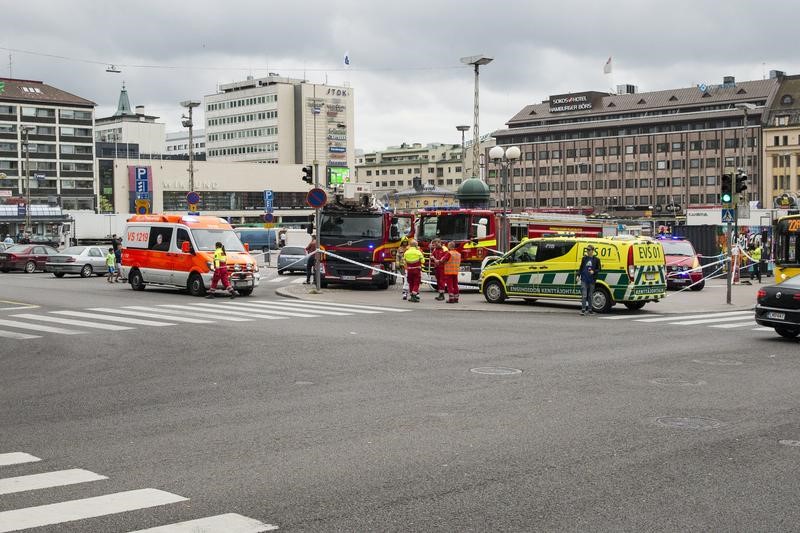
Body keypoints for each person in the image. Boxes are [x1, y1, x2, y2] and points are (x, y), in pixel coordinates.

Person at [578, 245, 601, 315]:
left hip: (591, 280)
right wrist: (578, 275)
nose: (587, 251)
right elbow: (581, 268)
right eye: (587, 250)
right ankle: (583, 310)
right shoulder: (584, 259)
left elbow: (599, 269)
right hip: (584, 279)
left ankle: (590, 310)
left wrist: (594, 271)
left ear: (592, 251)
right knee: (584, 295)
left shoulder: (596, 259)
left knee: (590, 296)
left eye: (589, 250)